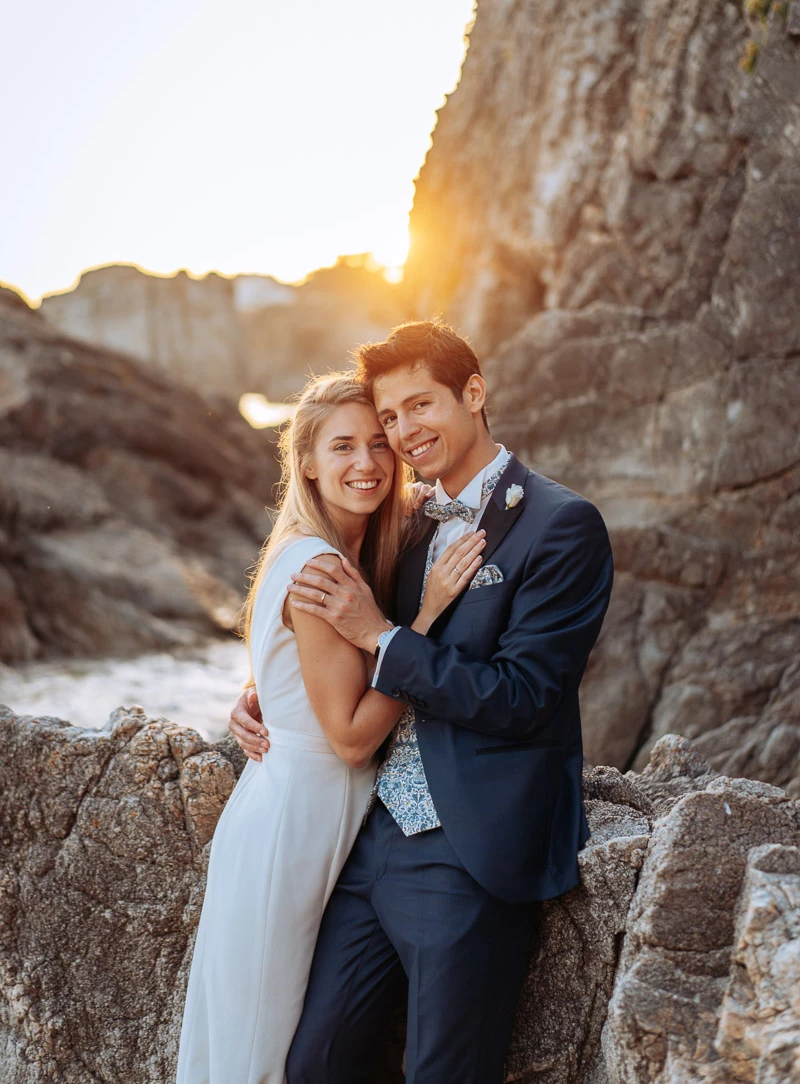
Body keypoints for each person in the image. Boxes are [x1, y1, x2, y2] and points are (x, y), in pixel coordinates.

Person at [229, 320, 615, 1084]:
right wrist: (269, 692)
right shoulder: (403, 523)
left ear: (473, 393)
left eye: (419, 406)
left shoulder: (561, 526)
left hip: (467, 850)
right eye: (390, 417)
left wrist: (385, 638)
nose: (404, 433)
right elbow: (336, 639)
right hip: (367, 840)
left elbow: (524, 697)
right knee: (313, 1065)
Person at [176, 372, 485, 1084]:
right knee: (256, 1053)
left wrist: (260, 693)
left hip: (305, 816)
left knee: (263, 1042)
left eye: (379, 443)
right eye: (342, 446)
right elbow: (350, 738)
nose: (367, 462)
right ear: (307, 463)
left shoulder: (334, 548)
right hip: (291, 831)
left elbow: (301, 673)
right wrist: (425, 618)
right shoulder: (318, 565)